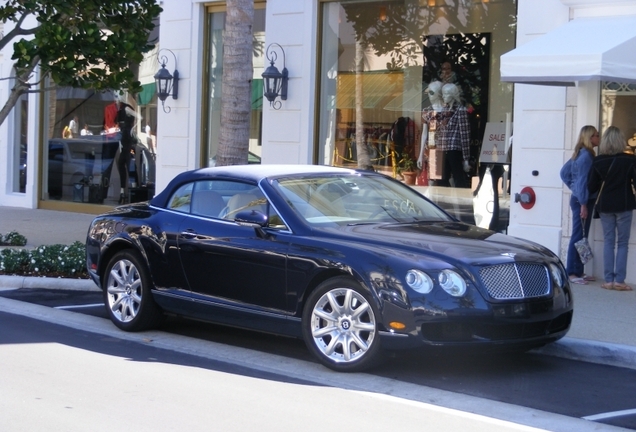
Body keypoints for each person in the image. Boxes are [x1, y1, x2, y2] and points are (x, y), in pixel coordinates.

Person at [588, 126, 636, 291]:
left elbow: (591, 185)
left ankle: (608, 280)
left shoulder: (598, 161)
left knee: (609, 242)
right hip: (624, 204)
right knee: (623, 243)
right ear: (621, 141)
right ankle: (619, 281)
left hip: (605, 205)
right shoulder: (630, 160)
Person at [560, 125, 599, 285]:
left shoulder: (581, 154)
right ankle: (571, 272)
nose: (598, 138)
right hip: (582, 201)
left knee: (582, 235)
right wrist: (583, 202)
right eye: (596, 135)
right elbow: (582, 181)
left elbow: (564, 173)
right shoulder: (586, 157)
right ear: (590, 138)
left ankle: (579, 271)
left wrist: (574, 187)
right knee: (578, 235)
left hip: (580, 199)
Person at [432, 83, 470, 188]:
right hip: (442, 148)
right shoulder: (444, 110)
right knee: (441, 178)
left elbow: (465, 133)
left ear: (453, 95)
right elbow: (439, 131)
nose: (444, 96)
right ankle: (445, 199)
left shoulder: (460, 111)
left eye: (446, 94)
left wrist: (466, 158)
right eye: (443, 94)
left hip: (454, 149)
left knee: (458, 177)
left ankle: (461, 200)